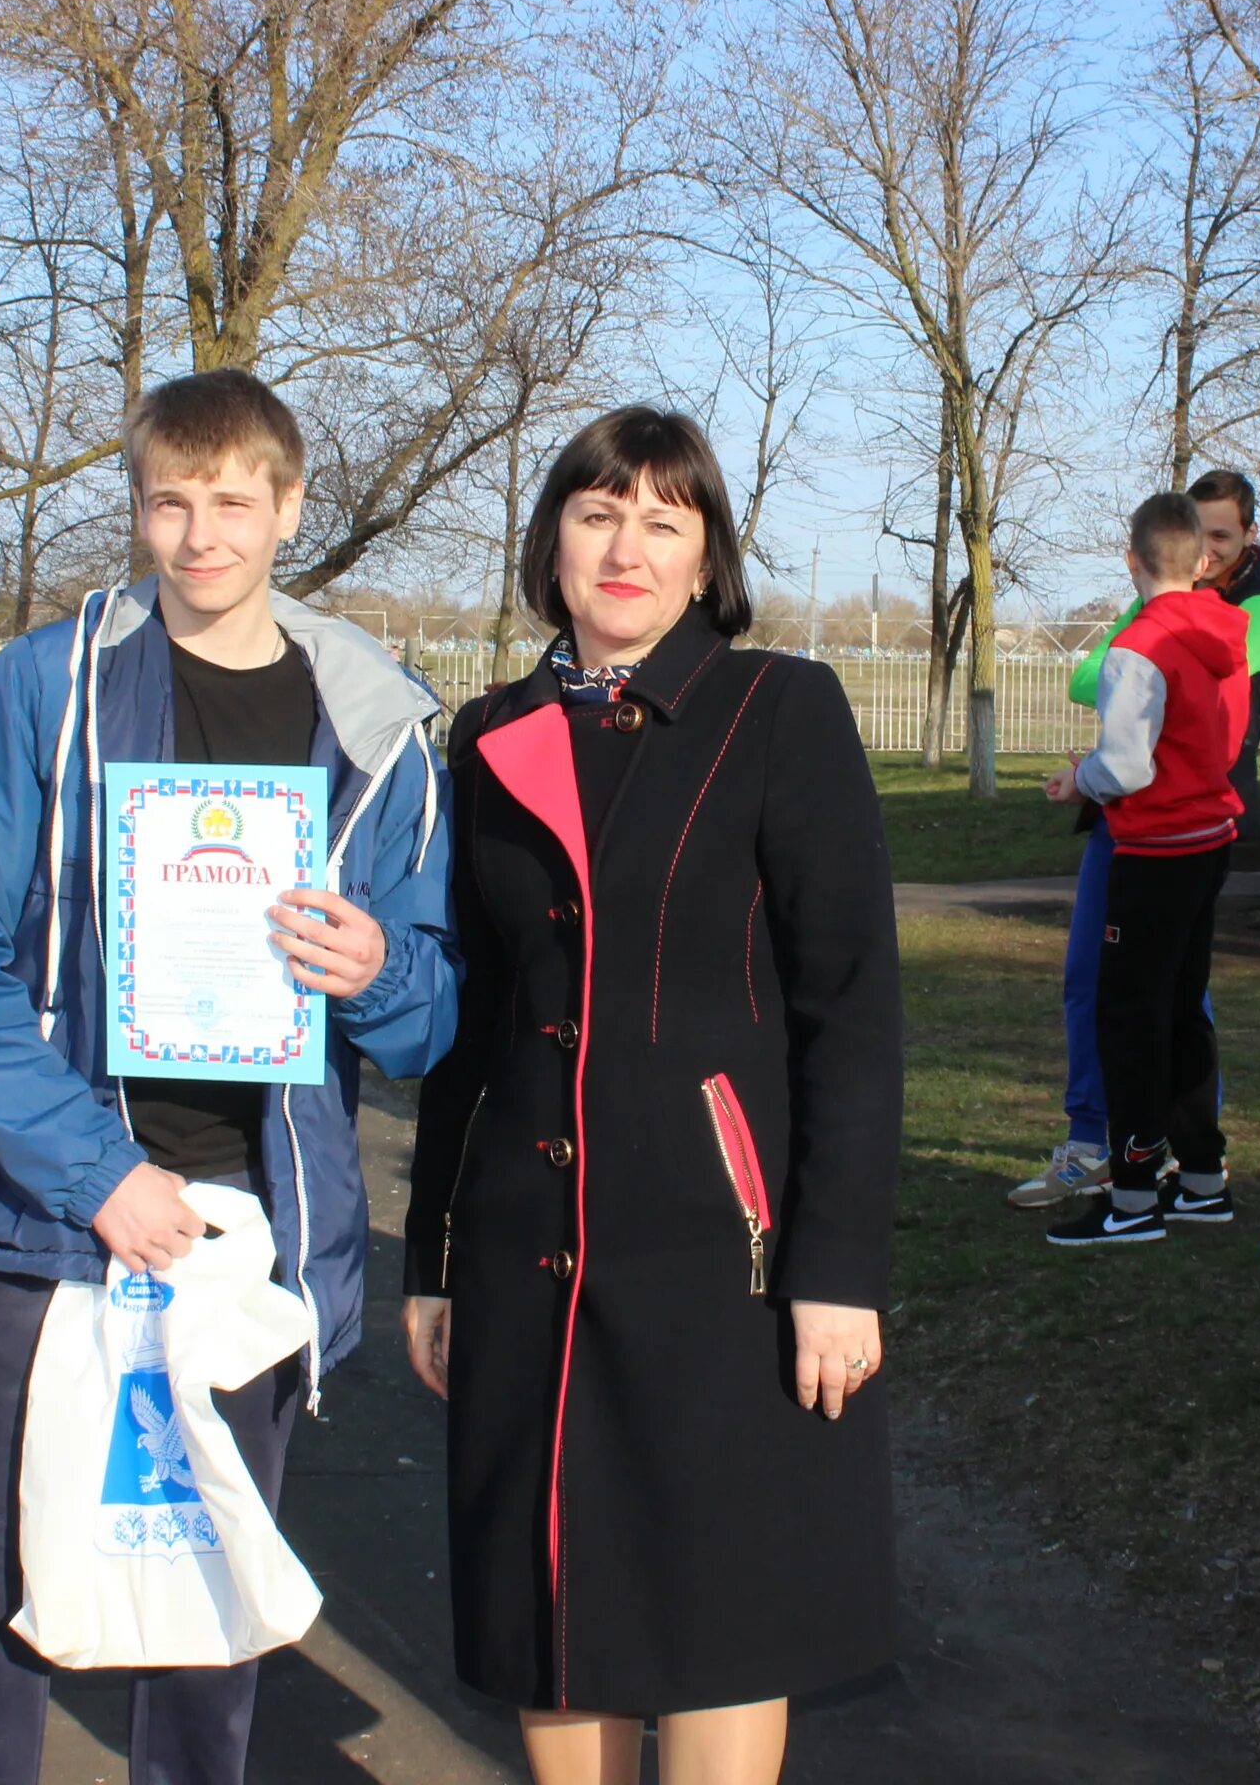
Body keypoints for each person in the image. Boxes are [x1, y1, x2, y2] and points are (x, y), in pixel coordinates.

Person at [0, 368, 459, 1785]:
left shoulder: (378, 724)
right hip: (56, 1211)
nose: (201, 535)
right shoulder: (46, 684)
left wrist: (376, 971)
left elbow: (426, 1028)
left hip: (247, 1227)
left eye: (232, 503)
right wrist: (96, 1174)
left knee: (210, 1617)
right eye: (169, 502)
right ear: (139, 509)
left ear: (288, 508)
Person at [401, 407, 899, 1785]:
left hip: (717, 1255)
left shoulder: (778, 711)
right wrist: (432, 1253)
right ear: (552, 538)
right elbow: (474, 1016)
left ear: (704, 559)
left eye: (663, 521)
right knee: (547, 1601)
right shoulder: (495, 735)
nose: (627, 547)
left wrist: (837, 1267)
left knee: (717, 1613)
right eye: (598, 512)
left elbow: (850, 1007)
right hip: (531, 1245)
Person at [1042, 492, 1250, 1247]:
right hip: (1208, 837)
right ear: (1201, 560)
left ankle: (1132, 1195)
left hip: (1156, 847)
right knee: (1184, 1007)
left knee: (1128, 1017)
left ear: (1132, 561)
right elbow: (1215, 742)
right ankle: (1202, 1178)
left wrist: (1081, 781)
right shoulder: (1226, 629)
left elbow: (1126, 767)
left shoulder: (1140, 647)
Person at [1189, 467, 1260, 829]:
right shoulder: (1182, 589)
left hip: (1224, 798)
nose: (1204, 550)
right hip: (1177, 791)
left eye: (1219, 536)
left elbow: (1213, 685)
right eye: (1195, 534)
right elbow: (1087, 679)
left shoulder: (1258, 605)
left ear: (1250, 535)